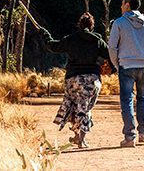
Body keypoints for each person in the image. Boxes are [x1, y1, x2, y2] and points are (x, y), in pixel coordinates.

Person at [37, 11, 110, 149]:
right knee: (85, 108)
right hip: (92, 80)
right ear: (92, 26)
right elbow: (111, 57)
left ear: (79, 25)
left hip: (73, 80)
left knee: (74, 107)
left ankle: (77, 137)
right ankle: (81, 139)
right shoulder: (98, 41)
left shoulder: (71, 39)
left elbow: (53, 46)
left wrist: (44, 34)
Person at [108, 0, 144, 148]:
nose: (121, 6)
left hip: (126, 65)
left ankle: (130, 136)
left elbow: (112, 47)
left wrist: (117, 64)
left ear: (127, 5)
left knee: (127, 100)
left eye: (122, 3)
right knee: (143, 99)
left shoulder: (118, 23)